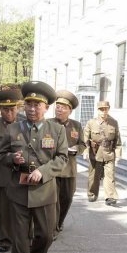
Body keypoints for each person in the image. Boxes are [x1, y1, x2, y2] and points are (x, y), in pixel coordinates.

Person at [0, 81, 68, 253]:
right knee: (19, 238)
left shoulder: (56, 130)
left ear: (46, 107)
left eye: (37, 105)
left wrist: (42, 172)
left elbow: (62, 158)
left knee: (46, 236)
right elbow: (1, 155)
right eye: (29, 104)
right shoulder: (13, 129)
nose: (32, 108)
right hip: (18, 191)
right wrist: (12, 158)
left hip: (44, 191)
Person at [0, 88, 23, 253]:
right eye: (5, 109)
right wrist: (6, 146)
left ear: (17, 108)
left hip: (22, 174)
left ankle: (21, 239)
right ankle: (5, 240)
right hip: (1, 174)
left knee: (21, 210)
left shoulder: (25, 123)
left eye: (12, 109)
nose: (9, 113)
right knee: (3, 211)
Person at [51, 90, 86, 239]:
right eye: (58, 106)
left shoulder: (76, 125)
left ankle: (59, 222)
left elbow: (83, 144)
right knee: (53, 200)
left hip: (69, 170)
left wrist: (76, 149)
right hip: (52, 169)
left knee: (67, 199)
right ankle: (53, 228)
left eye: (63, 107)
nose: (59, 109)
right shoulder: (48, 124)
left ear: (70, 110)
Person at [83, 100, 122, 206]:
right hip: (95, 153)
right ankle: (92, 193)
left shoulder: (114, 122)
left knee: (110, 175)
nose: (104, 111)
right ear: (98, 110)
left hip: (109, 153)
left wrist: (118, 154)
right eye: (101, 109)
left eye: (105, 109)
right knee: (93, 175)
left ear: (108, 109)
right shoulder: (91, 123)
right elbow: (85, 139)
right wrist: (86, 151)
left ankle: (110, 197)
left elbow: (117, 139)